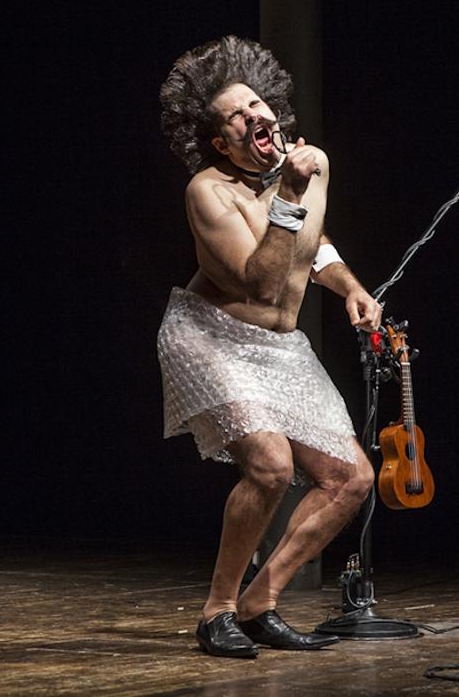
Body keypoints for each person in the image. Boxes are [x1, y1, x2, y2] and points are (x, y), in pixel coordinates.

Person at [156, 36, 381, 658]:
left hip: (279, 347)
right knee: (271, 466)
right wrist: (289, 194)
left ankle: (261, 602)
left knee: (352, 478)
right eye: (235, 115)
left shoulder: (312, 165)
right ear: (221, 143)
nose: (252, 115)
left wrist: (350, 288)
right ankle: (218, 611)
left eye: (255, 103)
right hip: (210, 336)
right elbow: (260, 281)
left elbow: (315, 246)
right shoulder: (209, 191)